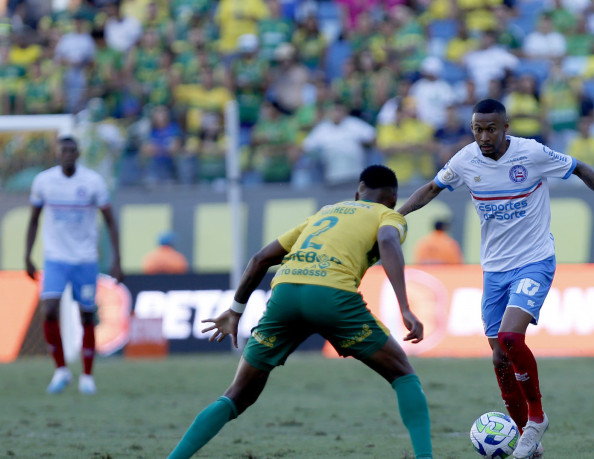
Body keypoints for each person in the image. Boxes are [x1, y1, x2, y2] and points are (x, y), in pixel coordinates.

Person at [398, 99, 594, 459]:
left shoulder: (531, 153)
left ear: (506, 127)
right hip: (494, 269)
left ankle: (536, 419)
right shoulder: (465, 160)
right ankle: (531, 441)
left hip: (534, 260)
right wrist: (396, 217)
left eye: (491, 128)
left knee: (511, 336)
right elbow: (431, 189)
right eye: (477, 129)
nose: (483, 136)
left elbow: (581, 169)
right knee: (498, 358)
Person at [168, 165, 433, 459]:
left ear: (357, 192)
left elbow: (260, 259)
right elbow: (386, 241)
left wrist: (235, 311)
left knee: (237, 394)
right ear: (393, 199)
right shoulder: (389, 216)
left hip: (285, 295)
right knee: (403, 374)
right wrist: (405, 307)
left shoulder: (325, 213)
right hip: (331, 296)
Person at [24, 136, 124, 395]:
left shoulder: (92, 182)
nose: (67, 154)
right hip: (55, 258)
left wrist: (117, 258)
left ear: (78, 153)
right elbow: (34, 220)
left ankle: (87, 376)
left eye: (71, 150)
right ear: (57, 154)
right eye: (63, 150)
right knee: (49, 309)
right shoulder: (44, 182)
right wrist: (27, 254)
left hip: (85, 259)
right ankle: (61, 371)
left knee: (87, 314)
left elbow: (111, 221)